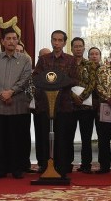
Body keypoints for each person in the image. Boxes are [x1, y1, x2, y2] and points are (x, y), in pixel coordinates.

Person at [0, 29, 33, 179]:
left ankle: (16, 168)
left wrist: (11, 91)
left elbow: (25, 79)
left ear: (18, 41)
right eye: (8, 38)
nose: (12, 41)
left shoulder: (26, 59)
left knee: (17, 138)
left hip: (17, 105)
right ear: (3, 41)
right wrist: (2, 92)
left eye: (14, 38)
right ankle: (1, 168)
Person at [34, 31, 79, 177]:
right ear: (51, 41)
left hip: (64, 104)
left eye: (60, 40)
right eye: (54, 40)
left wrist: (59, 81)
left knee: (63, 137)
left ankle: (62, 166)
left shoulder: (71, 60)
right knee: (46, 136)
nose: (57, 43)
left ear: (65, 43)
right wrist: (48, 82)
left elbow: (75, 79)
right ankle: (46, 165)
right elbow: (36, 77)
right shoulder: (44, 59)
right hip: (46, 104)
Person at [71, 37, 98, 173]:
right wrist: (73, 97)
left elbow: (92, 83)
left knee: (86, 137)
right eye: (75, 46)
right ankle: (67, 163)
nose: (78, 48)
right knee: (67, 136)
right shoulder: (66, 63)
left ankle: (86, 164)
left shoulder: (90, 65)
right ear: (71, 48)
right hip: (69, 106)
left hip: (86, 106)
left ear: (83, 48)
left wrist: (81, 97)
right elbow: (64, 82)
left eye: (80, 46)